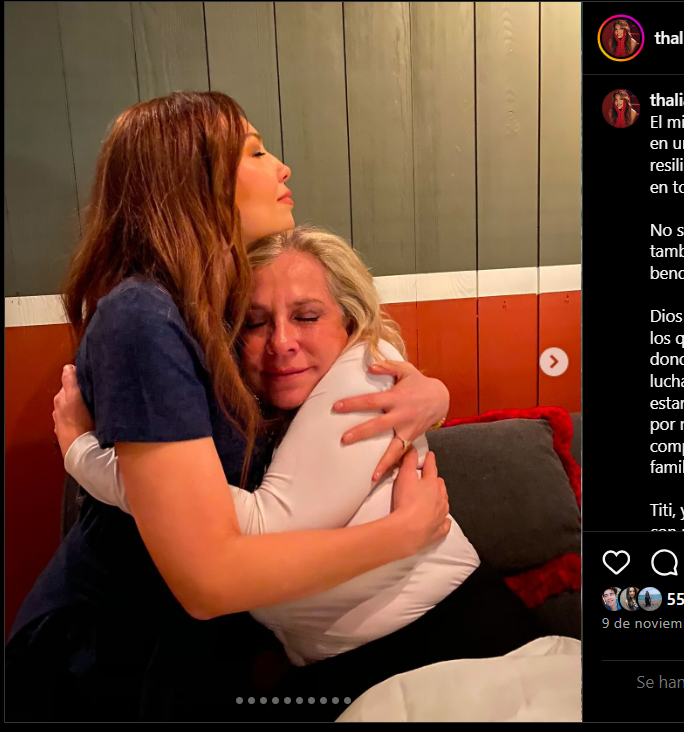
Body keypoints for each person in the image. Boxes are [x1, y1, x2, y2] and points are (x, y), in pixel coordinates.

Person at [5, 92, 451, 721]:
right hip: (106, 658)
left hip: (186, 651)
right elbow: (208, 579)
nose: (282, 167)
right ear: (194, 178)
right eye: (256, 152)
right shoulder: (143, 317)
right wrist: (400, 535)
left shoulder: (209, 314)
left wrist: (432, 394)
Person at [57, 226, 543, 702]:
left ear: (351, 321)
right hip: (346, 670)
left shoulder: (367, 374)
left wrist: (86, 457)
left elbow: (259, 531)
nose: (282, 342)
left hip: (452, 646)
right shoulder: (248, 414)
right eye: (255, 323)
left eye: (307, 316)